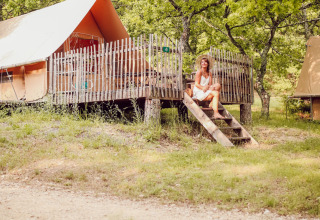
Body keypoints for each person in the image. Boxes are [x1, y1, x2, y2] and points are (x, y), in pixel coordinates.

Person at [192, 54, 224, 119]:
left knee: (218, 85)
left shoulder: (209, 73)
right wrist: (203, 87)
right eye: (202, 62)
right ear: (200, 64)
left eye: (205, 62)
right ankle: (216, 113)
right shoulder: (199, 72)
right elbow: (196, 84)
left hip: (206, 89)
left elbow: (210, 84)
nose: (204, 63)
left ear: (208, 64)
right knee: (216, 93)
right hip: (199, 91)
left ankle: (212, 103)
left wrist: (210, 87)